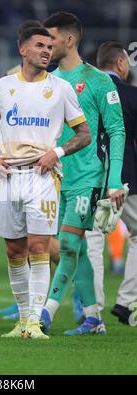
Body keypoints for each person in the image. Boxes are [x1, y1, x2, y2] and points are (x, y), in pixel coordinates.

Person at [0, 25, 91, 339]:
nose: (46, 51)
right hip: (9, 175)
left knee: (39, 246)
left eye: (49, 46)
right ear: (23, 49)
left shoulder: (61, 88)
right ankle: (23, 319)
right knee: (14, 251)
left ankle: (35, 323)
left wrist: (57, 151)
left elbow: (84, 134)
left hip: (42, 176)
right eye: (39, 45)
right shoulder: (1, 89)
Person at [40, 12, 125, 335]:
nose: (47, 46)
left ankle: (45, 312)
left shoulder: (97, 81)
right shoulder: (48, 81)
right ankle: (93, 318)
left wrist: (113, 179)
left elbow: (116, 131)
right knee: (71, 248)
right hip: (56, 178)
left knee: (67, 243)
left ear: (70, 40)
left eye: (52, 40)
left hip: (89, 176)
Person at [85, 41, 137, 324]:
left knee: (92, 241)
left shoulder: (84, 92)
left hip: (90, 178)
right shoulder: (131, 95)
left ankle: (92, 312)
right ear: (120, 63)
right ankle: (127, 301)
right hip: (128, 181)